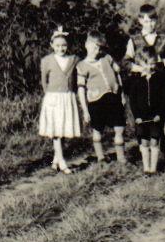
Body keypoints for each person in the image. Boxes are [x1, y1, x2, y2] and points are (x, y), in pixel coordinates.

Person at [77, 31, 128, 165]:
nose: (96, 50)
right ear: (86, 45)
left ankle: (121, 158)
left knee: (119, 127)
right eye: (94, 47)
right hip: (96, 102)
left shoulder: (107, 58)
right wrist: (85, 110)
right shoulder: (81, 66)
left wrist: (121, 94)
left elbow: (118, 75)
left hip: (113, 98)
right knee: (98, 129)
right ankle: (100, 157)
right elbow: (81, 90)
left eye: (99, 47)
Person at [38, 26, 81, 174]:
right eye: (57, 45)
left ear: (67, 46)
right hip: (53, 98)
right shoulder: (47, 60)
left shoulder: (74, 60)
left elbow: (79, 77)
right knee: (56, 130)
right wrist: (49, 95)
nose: (61, 48)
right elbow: (44, 81)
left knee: (63, 129)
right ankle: (62, 161)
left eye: (63, 45)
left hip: (67, 97)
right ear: (52, 45)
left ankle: (56, 159)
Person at [125, 46, 165, 175]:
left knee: (155, 141)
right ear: (139, 63)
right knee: (144, 142)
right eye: (146, 63)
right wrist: (137, 116)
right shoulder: (136, 79)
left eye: (152, 63)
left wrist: (159, 114)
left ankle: (153, 169)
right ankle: (146, 169)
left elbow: (164, 98)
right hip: (141, 117)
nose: (150, 67)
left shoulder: (160, 78)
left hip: (156, 116)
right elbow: (132, 101)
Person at [123, 3, 165, 75]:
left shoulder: (164, 39)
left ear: (156, 19)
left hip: (161, 79)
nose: (149, 25)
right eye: (146, 21)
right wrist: (141, 69)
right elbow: (126, 62)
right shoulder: (134, 40)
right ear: (140, 21)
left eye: (152, 21)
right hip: (141, 80)